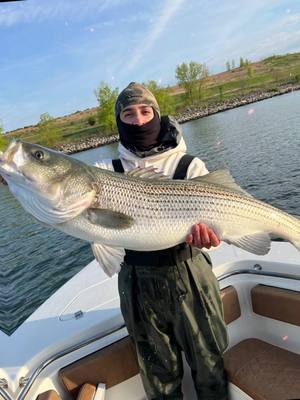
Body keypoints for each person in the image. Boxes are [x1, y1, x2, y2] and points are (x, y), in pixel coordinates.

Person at [95, 82, 228, 400]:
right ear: (119, 121)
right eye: (128, 113)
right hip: (137, 284)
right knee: (159, 381)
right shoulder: (106, 171)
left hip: (190, 275)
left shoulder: (189, 166)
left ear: (157, 113)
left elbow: (220, 225)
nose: (139, 120)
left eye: (145, 111)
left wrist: (211, 238)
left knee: (211, 370)